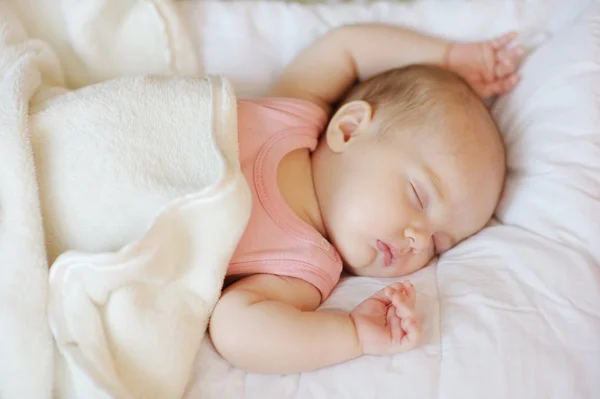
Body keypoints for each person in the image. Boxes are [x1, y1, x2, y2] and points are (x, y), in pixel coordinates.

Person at [209, 24, 523, 374]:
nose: (418, 240)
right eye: (420, 197)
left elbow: (235, 329)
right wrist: (449, 58)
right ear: (349, 129)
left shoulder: (304, 273)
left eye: (438, 243)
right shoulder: (290, 113)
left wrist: (355, 333)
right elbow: (345, 49)